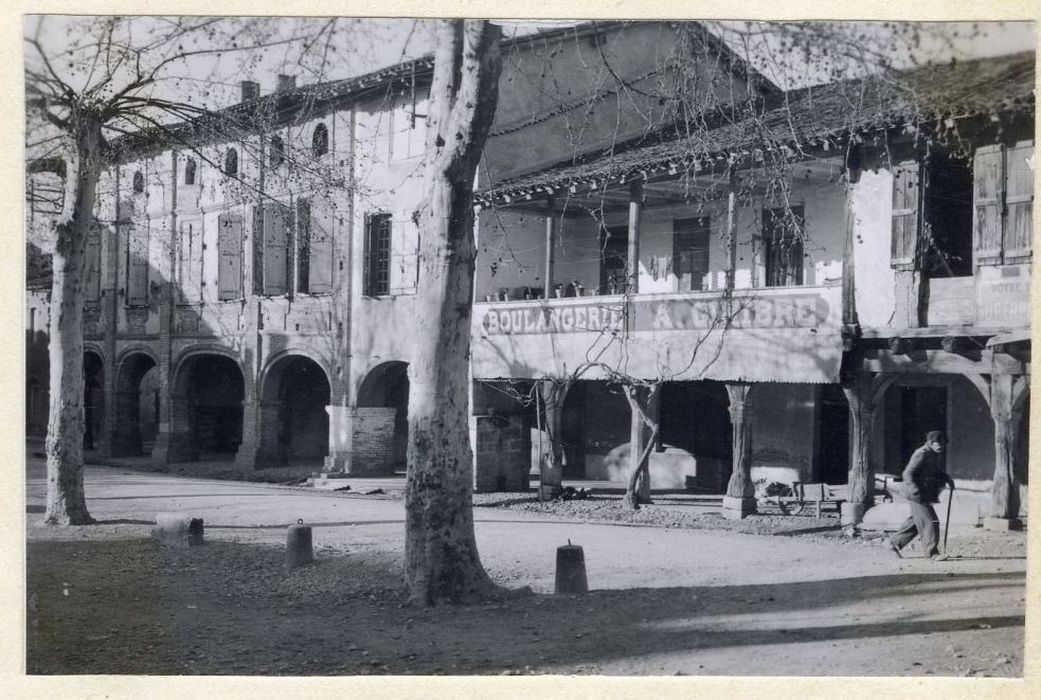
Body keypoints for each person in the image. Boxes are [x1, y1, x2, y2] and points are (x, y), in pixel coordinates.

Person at [888, 430, 956, 560]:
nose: (940, 446)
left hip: (923, 492)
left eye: (942, 443)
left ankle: (893, 543)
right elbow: (907, 473)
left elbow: (935, 470)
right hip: (916, 493)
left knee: (916, 521)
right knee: (931, 521)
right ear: (930, 443)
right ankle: (932, 553)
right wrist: (915, 490)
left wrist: (947, 478)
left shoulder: (932, 454)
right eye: (937, 443)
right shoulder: (922, 453)